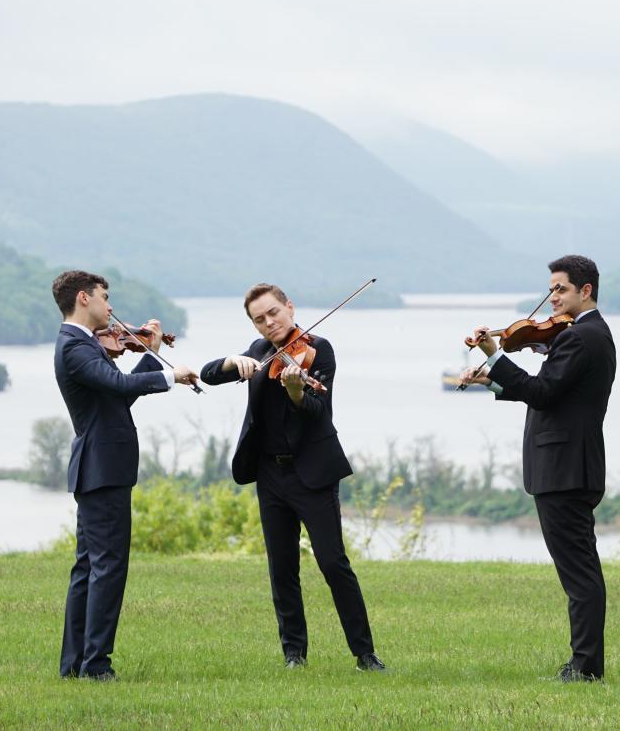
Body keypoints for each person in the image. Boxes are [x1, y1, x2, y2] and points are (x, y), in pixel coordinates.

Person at [199, 283, 386, 672]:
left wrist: (297, 393)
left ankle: (364, 654)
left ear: (289, 307)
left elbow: (318, 410)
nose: (269, 323)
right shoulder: (257, 352)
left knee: (333, 563)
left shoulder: (320, 348)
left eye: (274, 313)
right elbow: (207, 374)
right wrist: (234, 362)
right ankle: (293, 654)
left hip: (312, 473)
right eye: (259, 319)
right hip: (269, 473)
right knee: (281, 567)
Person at [461, 255, 616, 682]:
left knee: (579, 573)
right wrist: (492, 381)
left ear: (585, 291)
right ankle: (583, 662)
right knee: (579, 570)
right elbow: (553, 393)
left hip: (565, 469)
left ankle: (585, 667)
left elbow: (543, 392)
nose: (552, 298)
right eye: (550, 290)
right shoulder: (580, 335)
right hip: (570, 466)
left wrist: (494, 356)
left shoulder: (581, 338)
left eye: (561, 289)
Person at [52, 269, 199, 680]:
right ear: (84, 298)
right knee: (107, 567)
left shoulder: (83, 346)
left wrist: (150, 354)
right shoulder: (74, 348)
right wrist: (172, 374)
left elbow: (119, 395)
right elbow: (117, 384)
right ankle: (96, 665)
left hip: (99, 469)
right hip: (102, 470)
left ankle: (75, 664)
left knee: (88, 568)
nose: (111, 306)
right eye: (105, 296)